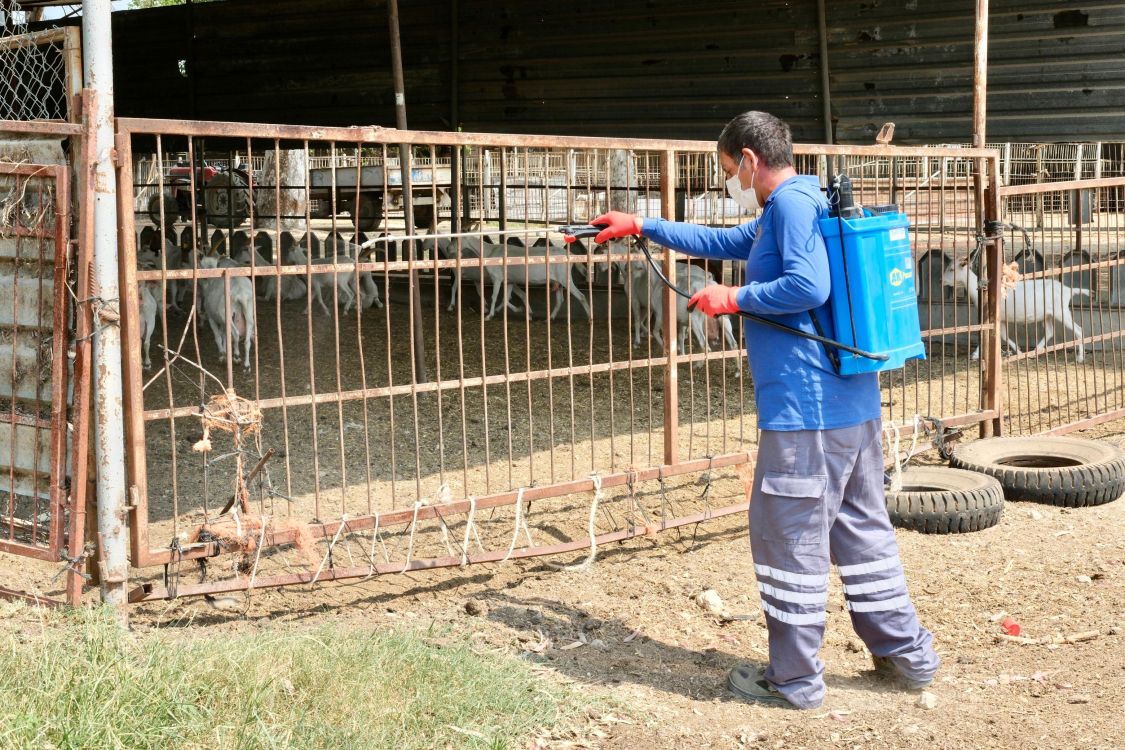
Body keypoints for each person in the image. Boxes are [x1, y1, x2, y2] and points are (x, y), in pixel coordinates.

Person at [582, 111, 940, 710]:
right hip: (851, 405)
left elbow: (809, 286)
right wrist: (642, 224)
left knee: (789, 537)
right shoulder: (799, 202)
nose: (731, 181)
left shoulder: (792, 208)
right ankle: (907, 657)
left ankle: (794, 680)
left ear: (749, 160)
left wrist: (734, 297)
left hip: (807, 410)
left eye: (729, 171)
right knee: (861, 531)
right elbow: (726, 242)